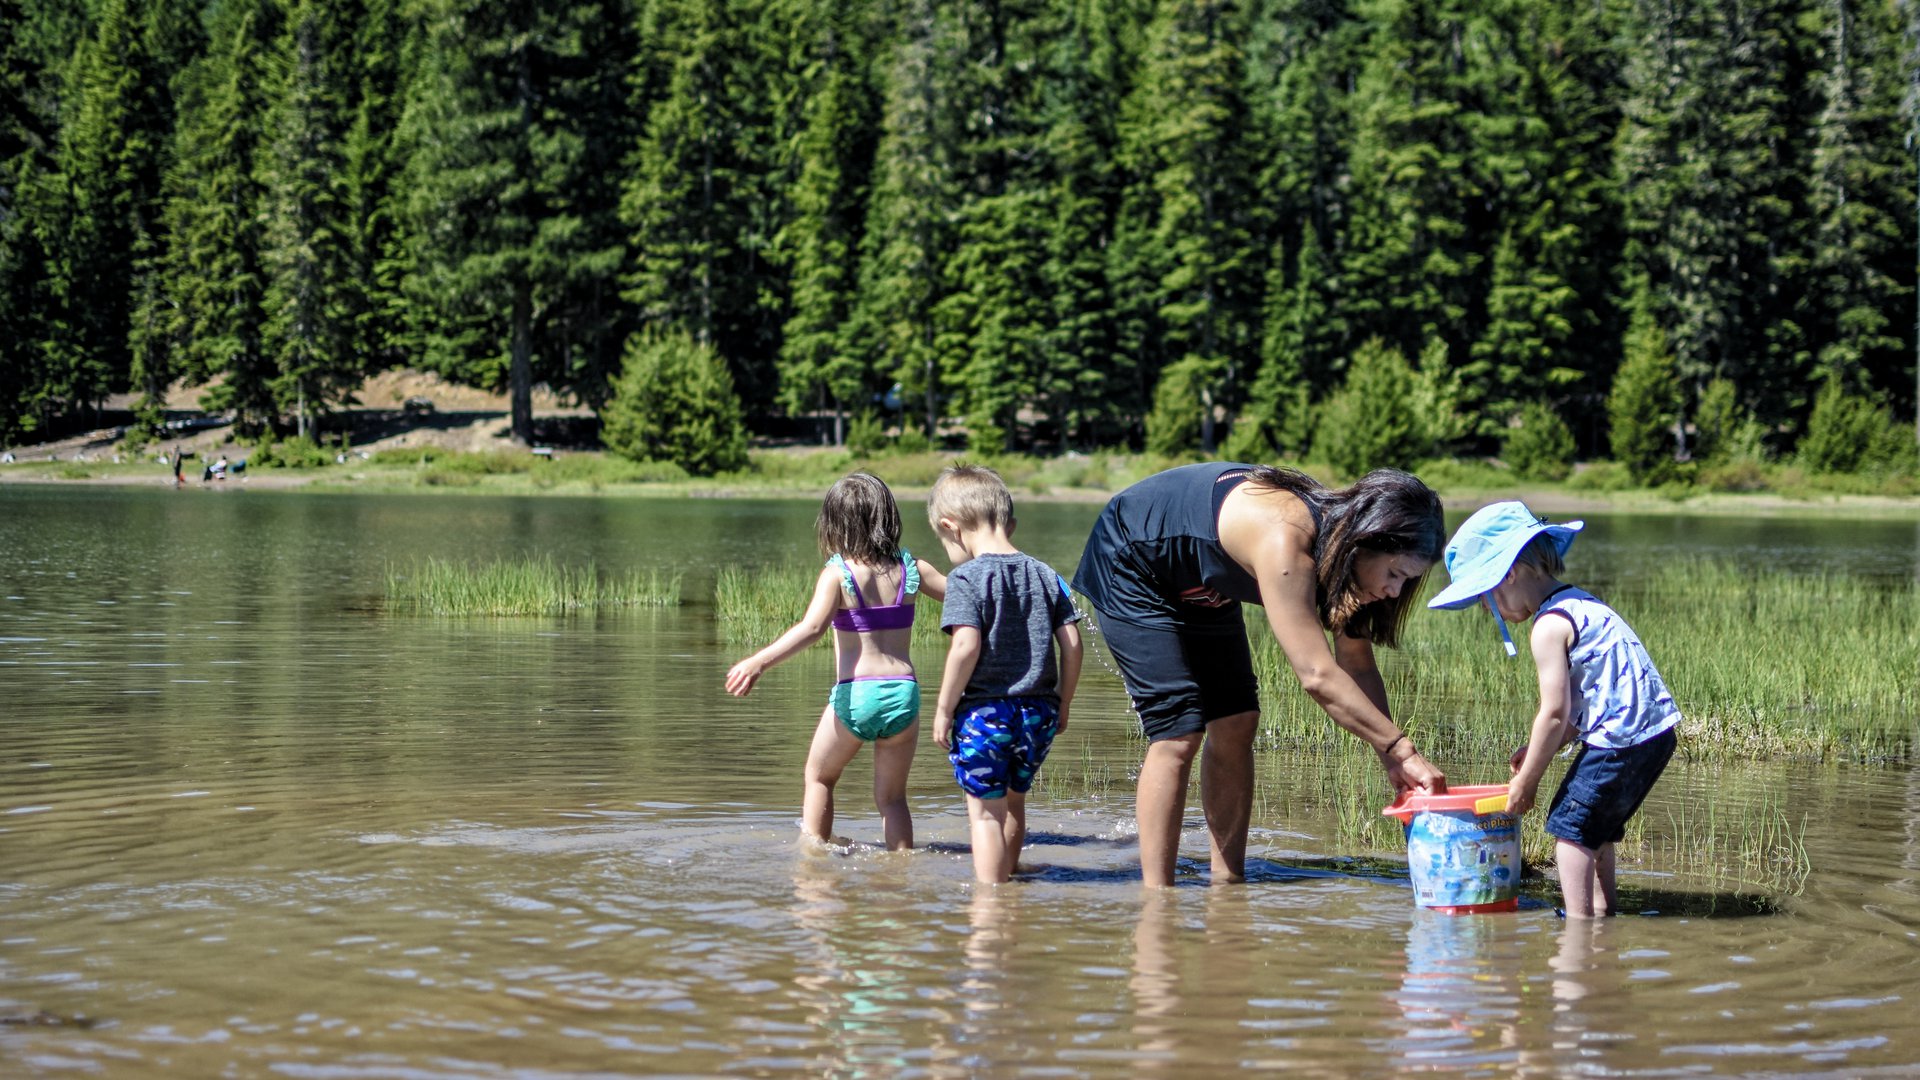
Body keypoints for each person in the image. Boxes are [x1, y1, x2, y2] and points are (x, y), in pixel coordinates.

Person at [1072, 463, 1448, 888]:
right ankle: (1158, 898)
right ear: (1364, 541)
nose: (1395, 592)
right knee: (1179, 731)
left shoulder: (1349, 565)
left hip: (1205, 582)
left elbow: (1356, 665)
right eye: (1395, 574)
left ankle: (1228, 882)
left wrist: (1390, 759)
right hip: (1135, 557)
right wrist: (1402, 749)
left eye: (1408, 581)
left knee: (1237, 720)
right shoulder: (1286, 542)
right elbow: (1317, 675)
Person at [1427, 500, 1680, 918]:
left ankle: (1577, 928)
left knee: (1569, 831)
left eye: (1486, 599)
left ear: (1507, 574)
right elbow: (1591, 700)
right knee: (1594, 832)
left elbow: (1555, 712)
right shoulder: (1583, 603)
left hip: (1619, 739)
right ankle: (1603, 916)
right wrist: (1541, 746)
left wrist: (1526, 781)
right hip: (1654, 735)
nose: (1490, 611)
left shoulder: (1548, 626)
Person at [724, 472, 947, 851]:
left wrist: (758, 662)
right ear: (888, 517)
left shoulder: (837, 574)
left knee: (819, 777)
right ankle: (902, 867)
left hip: (857, 694)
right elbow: (967, 595)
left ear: (834, 523)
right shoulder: (912, 569)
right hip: (904, 695)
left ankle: (813, 859)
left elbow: (811, 629)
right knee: (892, 799)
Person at [927, 465, 1084, 884]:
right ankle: (1012, 883)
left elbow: (965, 646)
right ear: (1007, 521)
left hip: (984, 714)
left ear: (952, 527)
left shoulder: (965, 577)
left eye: (945, 542)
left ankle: (991, 903)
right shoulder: (1046, 574)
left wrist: (943, 709)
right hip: (1039, 714)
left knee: (985, 817)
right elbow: (1072, 644)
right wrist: (1063, 702)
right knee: (1014, 804)